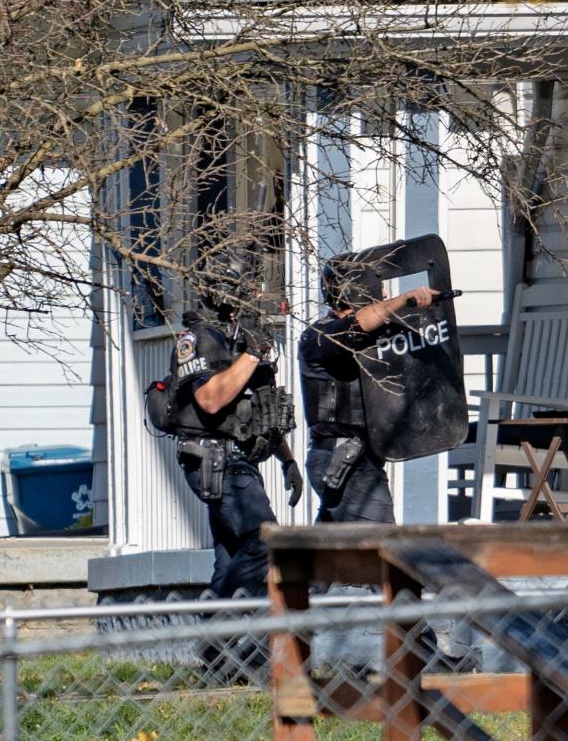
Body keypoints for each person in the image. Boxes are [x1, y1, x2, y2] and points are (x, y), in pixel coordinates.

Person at [167, 253, 301, 599]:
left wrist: (287, 460)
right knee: (266, 545)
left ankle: (214, 646)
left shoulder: (238, 338)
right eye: (248, 289)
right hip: (216, 462)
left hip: (239, 461)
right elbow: (211, 399)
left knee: (229, 558)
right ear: (226, 291)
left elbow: (259, 407)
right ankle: (227, 626)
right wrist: (252, 354)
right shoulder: (199, 338)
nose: (255, 296)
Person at [298, 259, 437, 523]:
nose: (383, 295)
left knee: (330, 558)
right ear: (356, 291)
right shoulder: (320, 335)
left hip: (356, 461)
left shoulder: (370, 337)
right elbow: (355, 327)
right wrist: (403, 299)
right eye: (377, 289)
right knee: (381, 547)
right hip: (345, 462)